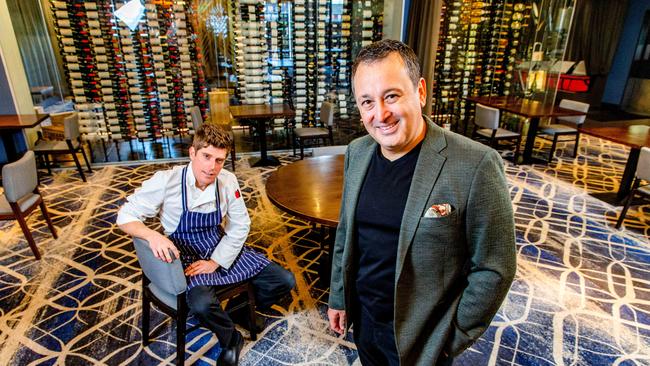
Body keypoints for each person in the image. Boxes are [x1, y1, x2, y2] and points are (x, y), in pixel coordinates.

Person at [327, 39, 516, 365]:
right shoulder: (357, 152)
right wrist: (339, 296)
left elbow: (495, 267)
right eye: (367, 102)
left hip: (423, 336)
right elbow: (347, 233)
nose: (380, 114)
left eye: (391, 96)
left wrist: (453, 336)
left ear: (421, 91)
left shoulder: (476, 164)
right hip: (366, 319)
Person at [117, 124, 295, 366]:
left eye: (219, 160)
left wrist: (216, 261)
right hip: (185, 254)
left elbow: (240, 224)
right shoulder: (166, 181)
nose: (212, 167)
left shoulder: (227, 180)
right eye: (206, 156)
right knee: (201, 305)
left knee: (284, 280)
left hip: (219, 246)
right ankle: (231, 339)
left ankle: (239, 312)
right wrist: (152, 235)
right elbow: (125, 216)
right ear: (192, 153)